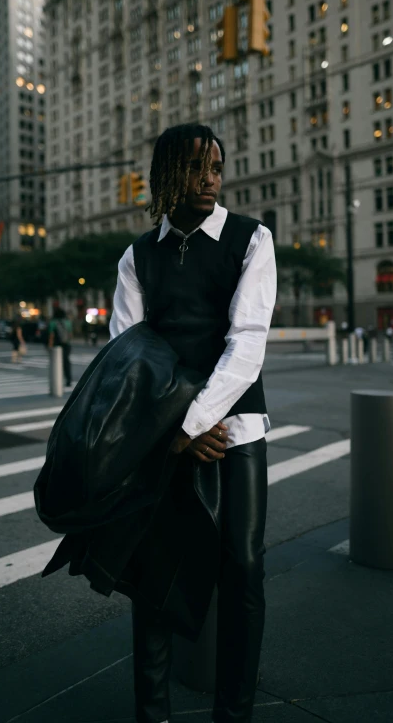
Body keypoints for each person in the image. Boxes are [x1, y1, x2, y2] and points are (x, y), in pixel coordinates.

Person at [110, 123, 276, 723]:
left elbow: (247, 342)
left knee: (244, 571)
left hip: (236, 432)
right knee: (153, 576)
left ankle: (235, 714)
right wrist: (176, 430)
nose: (211, 178)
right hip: (167, 440)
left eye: (218, 166)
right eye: (197, 166)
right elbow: (129, 356)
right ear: (166, 175)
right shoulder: (136, 256)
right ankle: (151, 713)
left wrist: (195, 422)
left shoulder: (251, 239)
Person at [48, 308, 72, 387]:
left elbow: (51, 335)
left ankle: (58, 379)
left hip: (57, 345)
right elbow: (70, 335)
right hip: (67, 345)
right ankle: (68, 379)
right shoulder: (68, 322)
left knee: (56, 363)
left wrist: (50, 345)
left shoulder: (53, 323)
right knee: (66, 362)